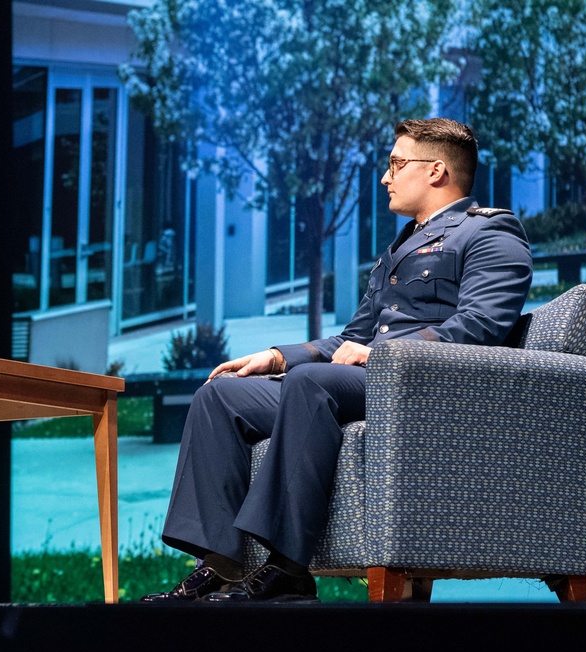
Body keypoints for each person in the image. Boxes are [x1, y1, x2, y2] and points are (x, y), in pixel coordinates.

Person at [141, 118, 533, 603]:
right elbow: (352, 336)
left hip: (421, 386)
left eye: (396, 164)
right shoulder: (401, 246)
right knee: (221, 394)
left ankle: (287, 570)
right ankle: (220, 565)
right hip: (364, 381)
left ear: (436, 172)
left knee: (311, 384)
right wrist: (277, 356)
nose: (386, 178)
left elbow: (481, 325)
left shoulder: (491, 232)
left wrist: (383, 354)